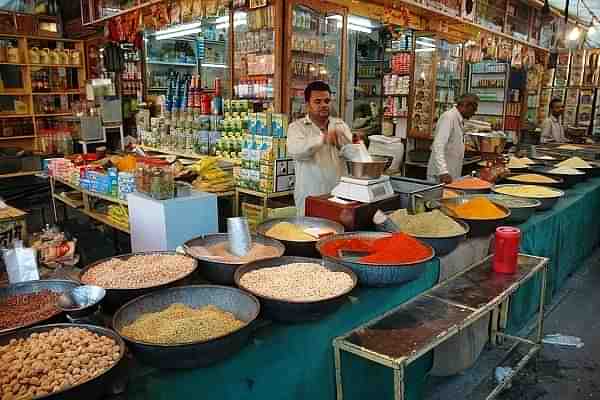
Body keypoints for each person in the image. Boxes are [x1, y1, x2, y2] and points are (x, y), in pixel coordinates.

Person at [287, 81, 353, 215]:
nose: (323, 105)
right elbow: (296, 151)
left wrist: (351, 144)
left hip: (339, 196)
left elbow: (353, 156)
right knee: (310, 233)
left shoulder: (340, 125)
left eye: (327, 101)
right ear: (307, 105)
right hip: (310, 196)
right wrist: (322, 139)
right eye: (317, 101)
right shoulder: (297, 127)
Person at [426, 93, 479, 184]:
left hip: (451, 173)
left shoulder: (458, 118)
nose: (474, 112)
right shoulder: (449, 117)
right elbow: (438, 145)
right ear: (465, 105)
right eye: (473, 109)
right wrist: (443, 172)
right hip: (441, 176)